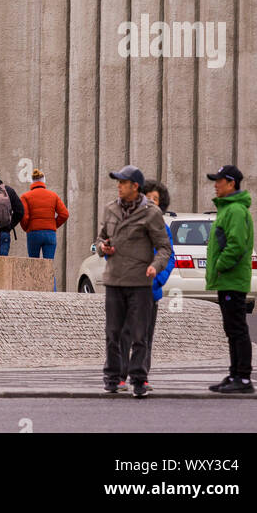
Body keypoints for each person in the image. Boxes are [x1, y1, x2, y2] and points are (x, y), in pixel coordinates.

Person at [95, 165, 171, 398]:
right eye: (117, 182)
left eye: (122, 182)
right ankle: (112, 378)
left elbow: (164, 248)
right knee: (113, 333)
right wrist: (102, 246)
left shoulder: (151, 213)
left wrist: (154, 267)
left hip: (140, 283)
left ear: (135, 186)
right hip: (115, 280)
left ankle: (139, 379)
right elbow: (100, 238)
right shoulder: (110, 209)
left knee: (139, 335)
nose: (118, 186)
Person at [117, 179, 175, 392]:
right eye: (147, 198)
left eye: (156, 200)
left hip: (151, 291)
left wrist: (158, 279)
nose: (151, 203)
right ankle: (121, 377)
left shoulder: (163, 228)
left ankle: (141, 377)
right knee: (125, 334)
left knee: (145, 337)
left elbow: (170, 257)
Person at [205, 164, 255, 394]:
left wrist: (219, 267)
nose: (215, 185)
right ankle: (235, 373)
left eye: (219, 181)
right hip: (228, 280)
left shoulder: (235, 210)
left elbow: (236, 245)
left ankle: (243, 378)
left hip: (232, 280)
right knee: (232, 329)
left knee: (237, 329)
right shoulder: (229, 209)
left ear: (231, 183)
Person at [19, 168, 69, 286]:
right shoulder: (53, 196)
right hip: (50, 234)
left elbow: (24, 217)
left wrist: (27, 228)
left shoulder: (25, 197)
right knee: (49, 265)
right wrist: (53, 225)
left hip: (33, 233)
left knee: (33, 264)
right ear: (44, 181)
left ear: (32, 181)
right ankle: (52, 291)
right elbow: (64, 214)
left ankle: (34, 290)